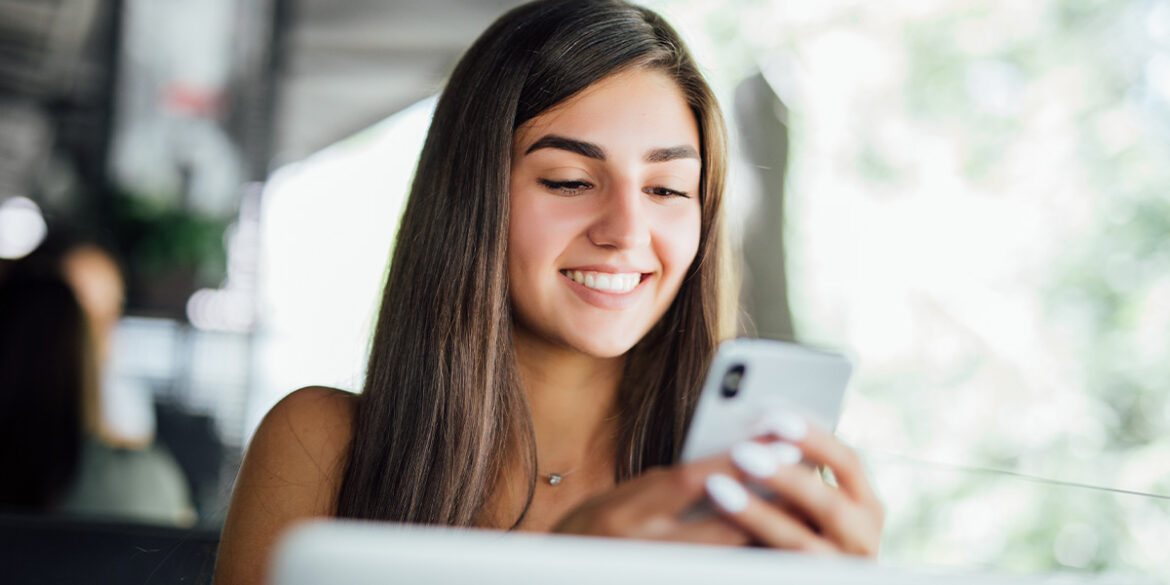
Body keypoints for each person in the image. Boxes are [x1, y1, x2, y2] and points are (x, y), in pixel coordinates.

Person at [214, 1, 884, 583]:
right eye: (568, 180)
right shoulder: (321, 444)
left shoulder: (744, 485)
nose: (626, 231)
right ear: (471, 199)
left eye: (667, 190)